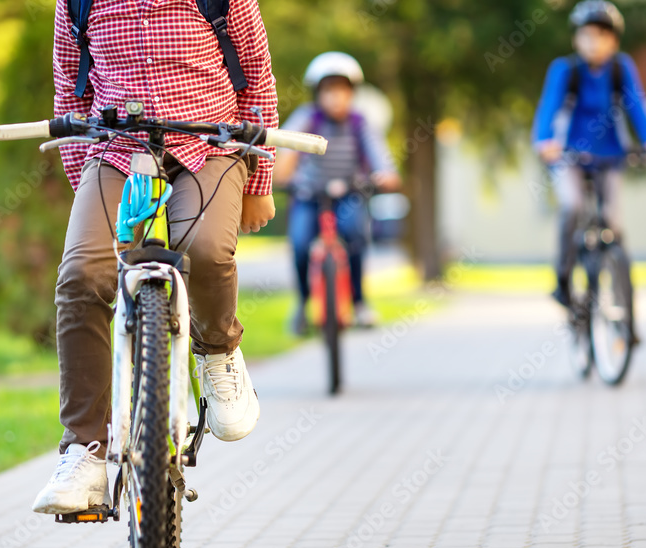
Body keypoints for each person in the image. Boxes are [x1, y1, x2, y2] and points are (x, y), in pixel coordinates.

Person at [32, 0, 279, 514]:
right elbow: (68, 89)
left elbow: (256, 81)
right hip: (117, 148)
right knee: (82, 273)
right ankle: (84, 451)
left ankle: (217, 351)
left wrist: (259, 182)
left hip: (210, 145)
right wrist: (88, 188)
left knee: (206, 251)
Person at [532, 1, 646, 308]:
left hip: (610, 155)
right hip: (569, 155)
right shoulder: (565, 70)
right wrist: (543, 141)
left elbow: (637, 107)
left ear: (614, 41)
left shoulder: (622, 69)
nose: (594, 42)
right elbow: (548, 108)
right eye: (587, 35)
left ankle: (621, 298)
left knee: (613, 223)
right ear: (575, 39)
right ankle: (563, 280)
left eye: (601, 35)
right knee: (573, 205)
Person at [274, 52, 402, 335]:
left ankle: (359, 302)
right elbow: (288, 147)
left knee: (355, 235)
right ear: (318, 94)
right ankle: (303, 304)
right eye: (329, 91)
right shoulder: (308, 118)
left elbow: (380, 158)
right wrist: (284, 173)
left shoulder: (360, 123)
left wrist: (385, 176)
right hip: (308, 193)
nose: (335, 98)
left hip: (348, 193)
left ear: (352, 94)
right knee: (300, 244)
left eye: (342, 91)